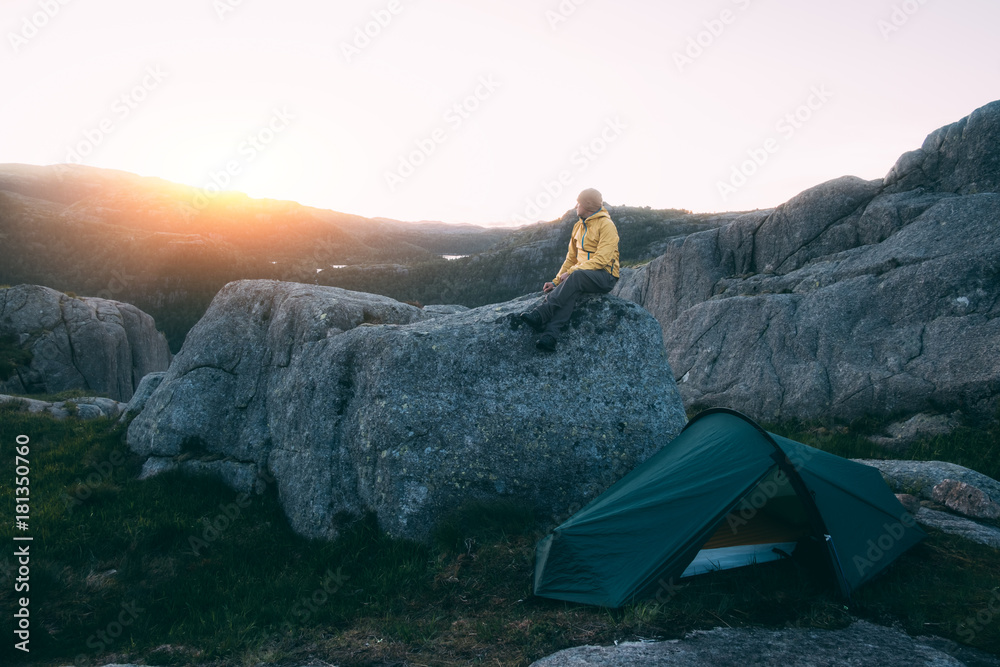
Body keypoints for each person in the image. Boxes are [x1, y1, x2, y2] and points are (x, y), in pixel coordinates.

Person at [520, 188, 620, 351]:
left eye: (578, 203)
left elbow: (602, 260)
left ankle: (543, 312)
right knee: (571, 291)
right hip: (582, 276)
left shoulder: (606, 225)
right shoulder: (578, 227)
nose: (575, 206)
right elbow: (571, 258)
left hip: (605, 276)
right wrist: (556, 281)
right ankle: (550, 337)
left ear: (587, 205)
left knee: (576, 277)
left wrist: (572, 273)